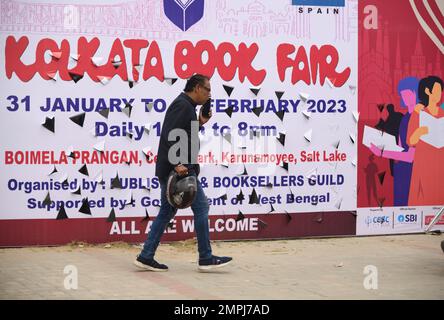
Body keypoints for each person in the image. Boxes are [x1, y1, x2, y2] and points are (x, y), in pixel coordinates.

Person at [134, 74, 232, 272]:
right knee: (202, 207)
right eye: (207, 90)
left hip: (178, 169)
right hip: (179, 170)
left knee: (167, 211)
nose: (209, 95)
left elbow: (186, 136)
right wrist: (177, 163)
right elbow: (170, 133)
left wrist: (200, 123)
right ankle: (206, 258)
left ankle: (146, 255)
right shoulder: (182, 105)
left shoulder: (187, 107)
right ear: (197, 88)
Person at [369, 77, 418, 206]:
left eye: (407, 93)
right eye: (402, 94)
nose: (404, 98)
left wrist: (381, 152)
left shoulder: (420, 118)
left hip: (413, 175)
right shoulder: (404, 118)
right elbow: (401, 149)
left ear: (416, 93)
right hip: (401, 171)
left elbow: (410, 157)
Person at [406, 76, 443, 206]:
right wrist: (419, 132)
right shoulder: (419, 114)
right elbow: (410, 141)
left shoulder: (443, 115)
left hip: (440, 164)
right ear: (428, 91)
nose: (440, 94)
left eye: (441, 91)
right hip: (423, 165)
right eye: (437, 90)